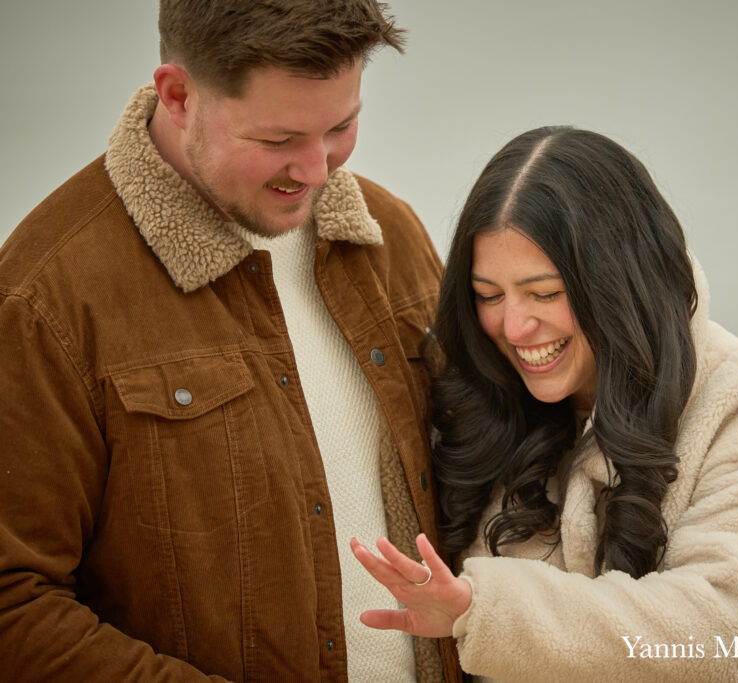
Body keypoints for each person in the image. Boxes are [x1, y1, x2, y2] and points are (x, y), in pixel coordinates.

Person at [0, 1, 459, 681]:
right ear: (178, 95)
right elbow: (14, 607)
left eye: (342, 125)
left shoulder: (394, 236)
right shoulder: (45, 296)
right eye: (278, 141)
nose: (315, 168)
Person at [350, 126, 738, 682]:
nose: (514, 326)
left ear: (619, 282)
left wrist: (480, 612)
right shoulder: (479, 401)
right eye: (489, 295)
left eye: (545, 293)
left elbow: (718, 634)